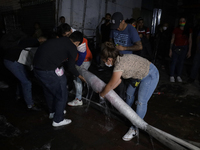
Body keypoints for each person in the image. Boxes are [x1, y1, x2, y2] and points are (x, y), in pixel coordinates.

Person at [99, 42, 159, 141]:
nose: (104, 63)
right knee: (129, 95)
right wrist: (107, 92)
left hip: (149, 75)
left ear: (109, 59)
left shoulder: (119, 65)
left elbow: (110, 84)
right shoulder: (117, 60)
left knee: (140, 102)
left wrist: (102, 94)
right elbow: (117, 81)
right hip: (137, 77)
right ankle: (128, 115)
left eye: (104, 61)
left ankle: (135, 128)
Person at [33, 31, 86, 127]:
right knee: (62, 94)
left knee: (49, 91)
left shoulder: (61, 39)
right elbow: (70, 67)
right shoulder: (72, 47)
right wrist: (79, 76)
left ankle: (53, 112)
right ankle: (58, 120)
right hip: (47, 71)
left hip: (36, 69)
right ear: (77, 42)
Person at [3, 36, 46, 110]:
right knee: (26, 82)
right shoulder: (34, 44)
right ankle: (30, 105)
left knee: (23, 79)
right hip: (11, 60)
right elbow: (34, 67)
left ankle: (19, 95)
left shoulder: (38, 47)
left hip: (17, 59)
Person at [57, 23, 93, 106]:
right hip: (79, 58)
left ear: (70, 31)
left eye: (67, 35)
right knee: (75, 77)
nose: (66, 37)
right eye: (64, 35)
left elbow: (82, 56)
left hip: (84, 60)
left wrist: (76, 67)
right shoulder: (71, 35)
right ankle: (77, 90)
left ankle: (78, 99)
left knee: (77, 78)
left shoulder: (79, 40)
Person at [169, 17, 192, 82]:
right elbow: (172, 39)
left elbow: (190, 40)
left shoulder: (188, 30)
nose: (182, 22)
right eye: (181, 21)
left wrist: (189, 50)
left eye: (183, 21)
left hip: (184, 48)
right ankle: (172, 76)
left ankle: (178, 76)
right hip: (176, 47)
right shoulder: (176, 29)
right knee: (174, 62)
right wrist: (170, 49)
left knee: (181, 63)